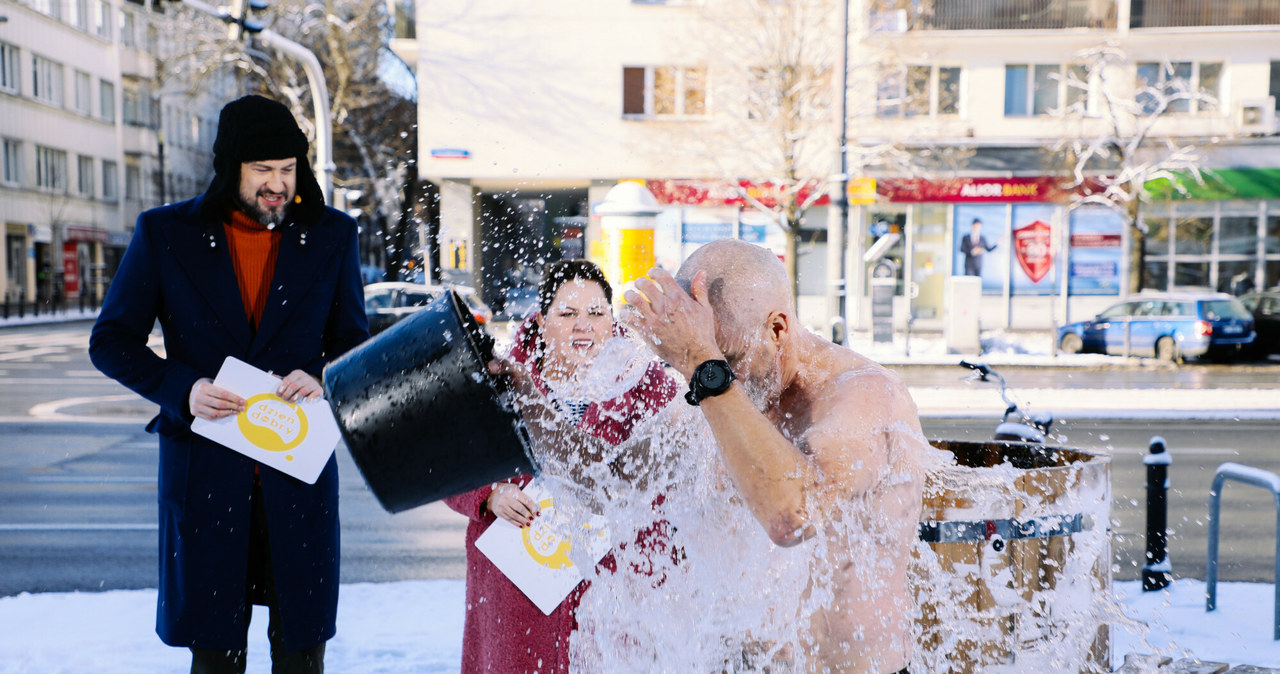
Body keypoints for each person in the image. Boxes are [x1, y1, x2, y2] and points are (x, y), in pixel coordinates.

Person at [89, 94, 369, 673]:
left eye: (288, 170)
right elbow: (110, 341)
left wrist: (321, 374)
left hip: (298, 481)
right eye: (262, 170)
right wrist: (181, 388)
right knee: (215, 657)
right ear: (230, 168)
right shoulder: (165, 234)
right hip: (206, 479)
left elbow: (353, 343)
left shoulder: (333, 235)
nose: (277, 185)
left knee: (300, 654)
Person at [622, 239, 930, 673]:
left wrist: (703, 363)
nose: (707, 376)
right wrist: (519, 406)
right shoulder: (720, 391)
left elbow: (795, 517)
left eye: (725, 358)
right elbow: (613, 477)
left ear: (778, 329)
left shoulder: (861, 395)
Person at [445, 260, 678, 674]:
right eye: (567, 314)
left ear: (612, 318)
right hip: (514, 595)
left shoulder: (646, 385)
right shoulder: (500, 379)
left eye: (595, 313)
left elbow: (670, 478)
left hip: (611, 598)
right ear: (541, 320)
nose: (582, 326)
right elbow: (447, 466)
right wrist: (490, 495)